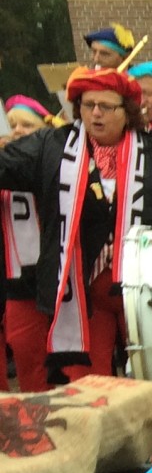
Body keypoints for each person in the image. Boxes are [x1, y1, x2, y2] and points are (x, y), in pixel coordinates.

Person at [0, 68, 152, 380]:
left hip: (147, 289)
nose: (95, 114)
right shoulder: (52, 146)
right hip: (82, 295)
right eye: (88, 105)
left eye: (106, 106)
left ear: (128, 111)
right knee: (88, 386)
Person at [3, 96, 57, 390]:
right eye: (12, 125)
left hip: (58, 275)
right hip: (19, 280)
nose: (18, 131)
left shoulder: (54, 159)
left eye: (27, 125)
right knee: (25, 351)